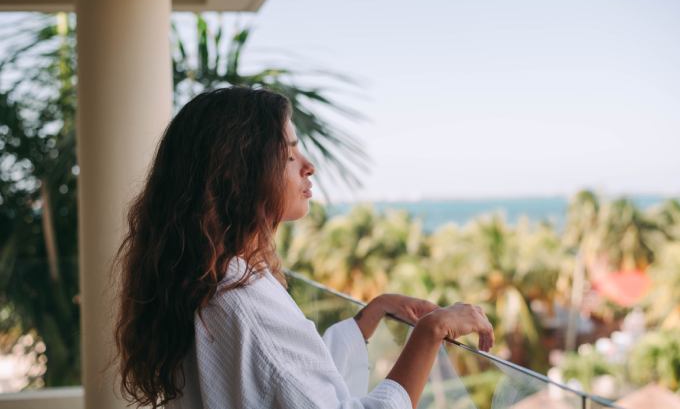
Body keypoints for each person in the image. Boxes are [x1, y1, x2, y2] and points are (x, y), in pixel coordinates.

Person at [113, 87, 494, 409]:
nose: (308, 165)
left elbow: (287, 381)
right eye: (289, 153)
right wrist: (431, 330)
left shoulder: (206, 277)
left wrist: (369, 318)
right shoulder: (242, 300)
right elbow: (282, 365)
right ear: (240, 172)